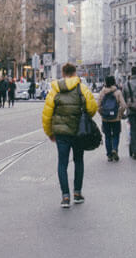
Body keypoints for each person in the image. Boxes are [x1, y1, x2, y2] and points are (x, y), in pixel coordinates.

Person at [41, 63, 97, 209]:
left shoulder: (55, 89)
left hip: (61, 133)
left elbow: (47, 115)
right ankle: (77, 193)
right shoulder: (82, 88)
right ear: (75, 72)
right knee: (78, 160)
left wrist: (49, 132)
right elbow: (92, 108)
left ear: (63, 73)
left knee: (62, 163)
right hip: (79, 131)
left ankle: (65, 196)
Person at [96, 76, 127, 162]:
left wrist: (102, 114)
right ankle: (115, 149)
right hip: (116, 118)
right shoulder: (117, 92)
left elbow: (98, 106)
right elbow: (124, 105)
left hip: (105, 118)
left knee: (107, 136)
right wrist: (120, 114)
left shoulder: (102, 92)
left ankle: (109, 155)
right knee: (116, 134)